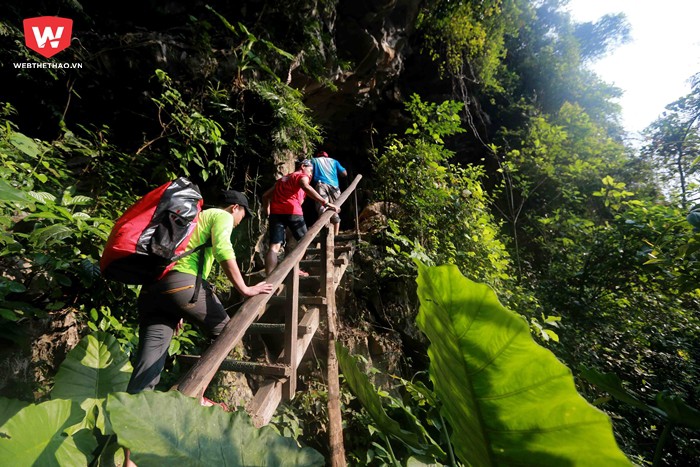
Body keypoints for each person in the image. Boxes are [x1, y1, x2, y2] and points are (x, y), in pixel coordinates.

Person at [126, 190, 274, 394]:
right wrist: (244, 288)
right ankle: (191, 393)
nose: (242, 220)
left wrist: (175, 307)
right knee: (226, 332)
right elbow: (223, 249)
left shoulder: (192, 219)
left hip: (153, 288)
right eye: (244, 215)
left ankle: (134, 409)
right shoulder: (222, 215)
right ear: (235, 207)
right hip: (181, 284)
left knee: (149, 359)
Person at [262, 159, 339, 276]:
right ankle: (294, 269)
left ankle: (269, 278)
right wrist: (325, 202)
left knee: (274, 246)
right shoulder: (301, 176)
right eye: (310, 170)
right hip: (293, 211)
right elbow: (305, 186)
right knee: (305, 241)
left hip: (276, 213)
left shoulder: (282, 179)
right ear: (303, 166)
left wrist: (267, 211)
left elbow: (265, 196)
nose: (311, 174)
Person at [311, 150, 347, 235]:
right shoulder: (334, 161)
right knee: (335, 209)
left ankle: (326, 234)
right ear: (327, 156)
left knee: (323, 208)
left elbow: (308, 171)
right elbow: (344, 174)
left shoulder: (314, 160)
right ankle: (336, 235)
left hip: (321, 185)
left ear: (318, 156)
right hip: (334, 186)